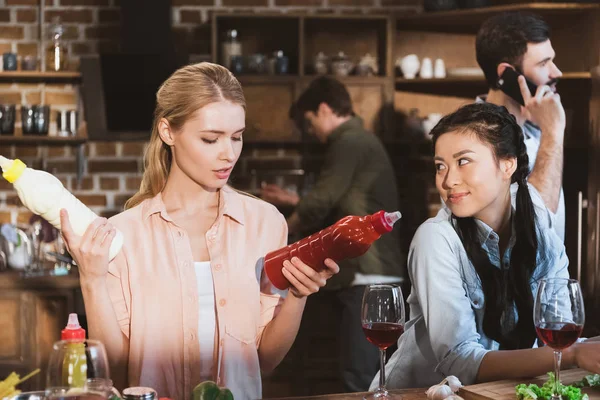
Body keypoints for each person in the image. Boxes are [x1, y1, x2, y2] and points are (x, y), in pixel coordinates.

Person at [59, 62, 340, 400]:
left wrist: (298, 295)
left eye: (237, 137)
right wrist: (91, 278)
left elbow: (265, 360)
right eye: (211, 139)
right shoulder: (124, 235)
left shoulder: (266, 223)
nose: (229, 154)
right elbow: (117, 370)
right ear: (168, 132)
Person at [372, 103, 600, 390]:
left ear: (508, 164)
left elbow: (560, 330)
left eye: (463, 161)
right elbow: (460, 363)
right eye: (440, 166)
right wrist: (574, 353)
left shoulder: (539, 231)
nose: (448, 180)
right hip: (412, 395)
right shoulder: (435, 239)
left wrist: (581, 348)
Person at [260, 76, 404, 392]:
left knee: (359, 376)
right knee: (364, 372)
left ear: (324, 109)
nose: (310, 132)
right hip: (371, 271)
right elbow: (341, 198)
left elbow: (323, 201)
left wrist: (284, 231)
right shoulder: (359, 141)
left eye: (309, 122)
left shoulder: (349, 141)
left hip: (367, 273)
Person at [475, 11, 565, 240]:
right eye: (544, 63)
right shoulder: (478, 140)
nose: (557, 73)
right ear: (507, 74)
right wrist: (553, 132)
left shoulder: (534, 129)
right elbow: (533, 225)